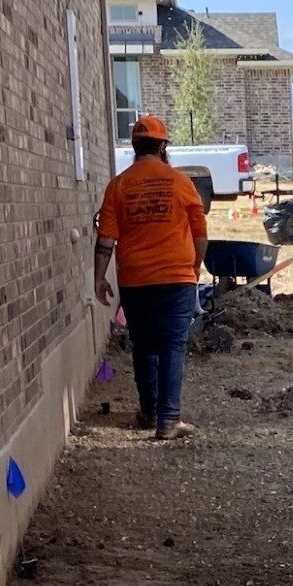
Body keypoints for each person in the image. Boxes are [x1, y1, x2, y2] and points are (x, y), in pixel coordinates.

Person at [95, 115, 208, 442]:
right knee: (172, 345)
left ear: (134, 146)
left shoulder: (118, 186)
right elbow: (200, 233)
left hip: (134, 279)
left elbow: (105, 240)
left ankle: (148, 411)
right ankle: (168, 420)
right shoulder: (180, 182)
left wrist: (99, 278)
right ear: (162, 146)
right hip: (176, 276)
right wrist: (195, 265)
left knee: (143, 345)